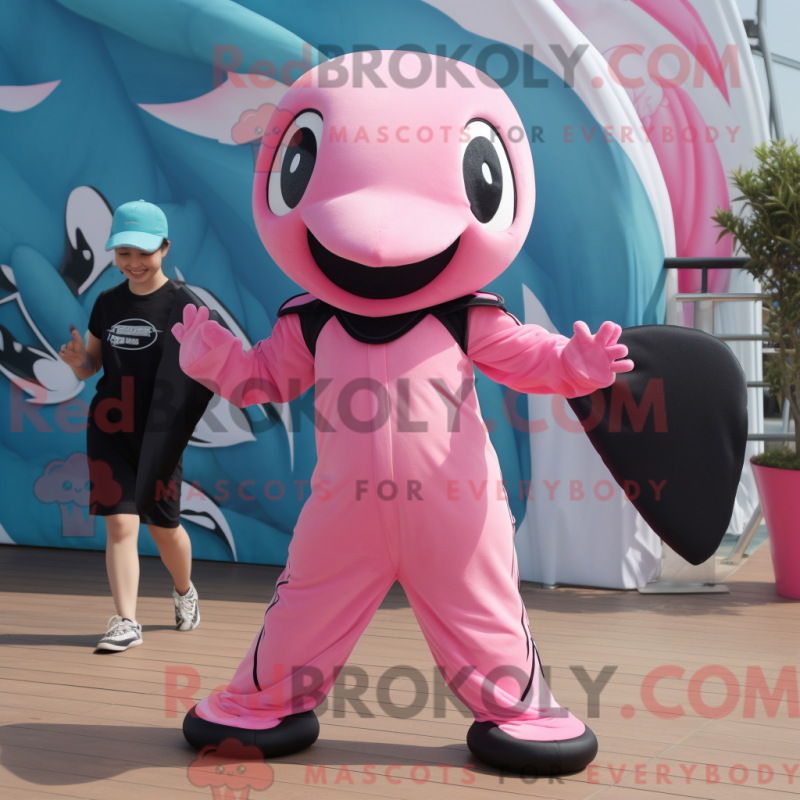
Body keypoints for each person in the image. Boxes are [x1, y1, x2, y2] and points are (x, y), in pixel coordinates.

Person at [59, 199, 200, 652]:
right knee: (121, 525)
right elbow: (92, 366)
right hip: (109, 428)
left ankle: (185, 591)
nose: (133, 262)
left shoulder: (185, 304)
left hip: (161, 436)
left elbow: (209, 366)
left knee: (164, 530)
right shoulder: (107, 302)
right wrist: (78, 362)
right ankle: (126, 621)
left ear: (165, 248)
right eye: (124, 253)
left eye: (143, 252)